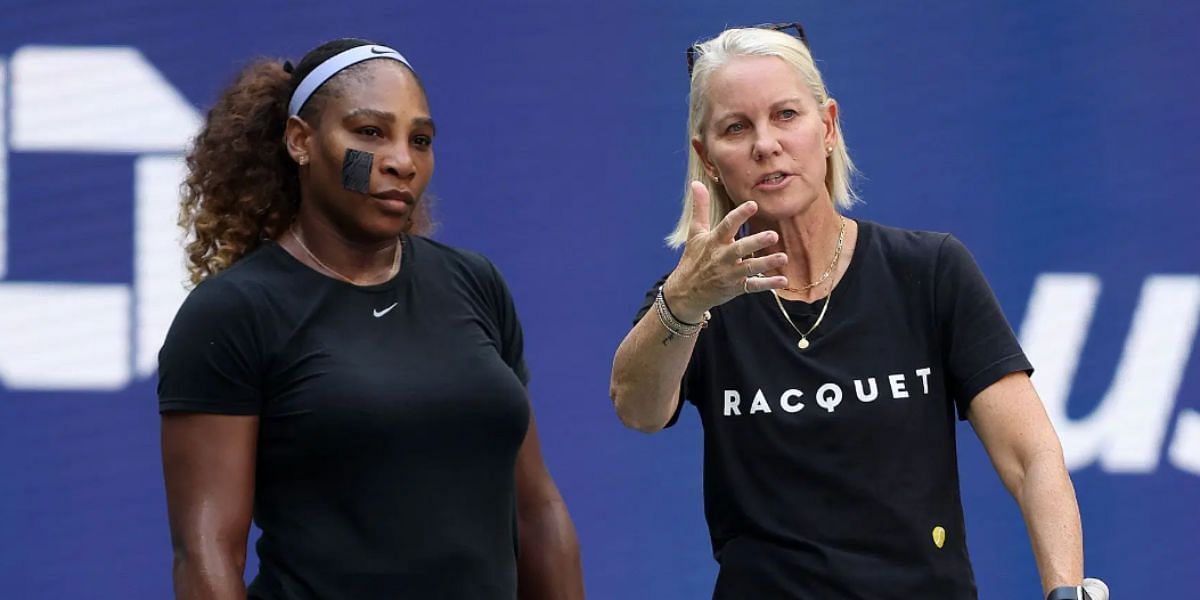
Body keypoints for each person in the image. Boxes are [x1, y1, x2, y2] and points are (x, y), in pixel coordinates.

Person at [610, 24, 1099, 599]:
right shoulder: (695, 296)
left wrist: (1064, 590)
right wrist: (686, 303)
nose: (765, 143)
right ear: (708, 158)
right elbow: (637, 408)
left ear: (829, 127)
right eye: (736, 128)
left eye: (786, 115)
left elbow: (1031, 455)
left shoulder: (930, 269)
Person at [159, 38, 582, 599]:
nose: (402, 161)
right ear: (300, 141)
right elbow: (206, 549)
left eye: (421, 140)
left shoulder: (474, 283)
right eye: (370, 132)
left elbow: (538, 512)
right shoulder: (235, 313)